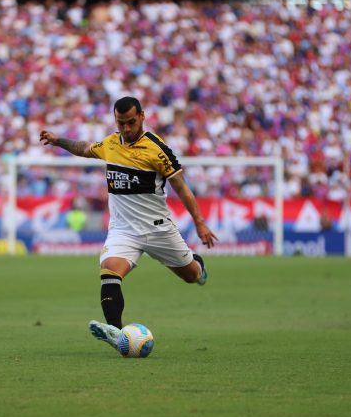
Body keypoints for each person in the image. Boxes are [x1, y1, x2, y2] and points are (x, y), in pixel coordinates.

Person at [39, 96, 218, 353]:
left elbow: (183, 189)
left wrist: (200, 224)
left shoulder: (158, 149)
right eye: (120, 123)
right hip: (123, 230)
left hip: (158, 229)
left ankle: (198, 264)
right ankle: (116, 331)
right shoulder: (111, 143)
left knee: (192, 276)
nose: (126, 128)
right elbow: (84, 148)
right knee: (109, 270)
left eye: (131, 122)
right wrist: (58, 141)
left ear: (142, 116)